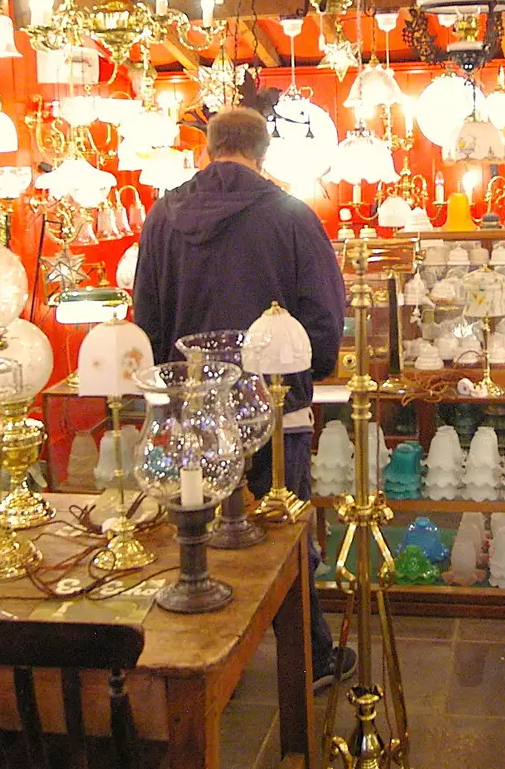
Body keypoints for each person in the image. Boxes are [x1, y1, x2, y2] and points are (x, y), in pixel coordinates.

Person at [134, 107, 353, 690]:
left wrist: (169, 395)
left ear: (208, 148)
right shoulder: (291, 216)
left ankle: (198, 669)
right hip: (274, 410)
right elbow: (325, 321)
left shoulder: (162, 216)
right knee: (283, 542)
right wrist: (309, 373)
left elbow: (148, 320)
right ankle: (309, 662)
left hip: (189, 413)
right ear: (263, 154)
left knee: (191, 541)